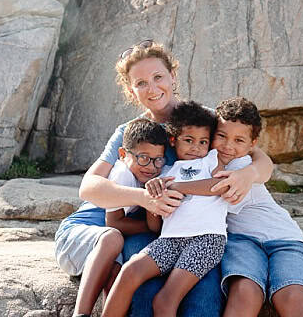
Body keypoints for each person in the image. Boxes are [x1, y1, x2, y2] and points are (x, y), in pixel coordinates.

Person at [76, 39, 277, 316]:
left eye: (158, 77)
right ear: (131, 91)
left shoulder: (205, 119)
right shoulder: (130, 131)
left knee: (205, 293)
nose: (152, 88)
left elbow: (261, 159)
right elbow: (88, 187)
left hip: (201, 230)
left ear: (173, 76)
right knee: (145, 289)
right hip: (152, 226)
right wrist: (145, 197)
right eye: (141, 82)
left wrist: (248, 175)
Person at [102, 102, 240, 316]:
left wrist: (177, 186)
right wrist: (152, 202)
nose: (196, 147)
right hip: (169, 239)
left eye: (203, 141)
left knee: (165, 300)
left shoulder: (210, 161)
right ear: (173, 141)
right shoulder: (165, 170)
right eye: (189, 140)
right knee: (129, 272)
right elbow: (154, 226)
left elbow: (217, 186)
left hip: (206, 239)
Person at [54, 118, 168, 316]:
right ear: (123, 154)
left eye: (158, 159)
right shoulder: (123, 174)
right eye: (143, 158)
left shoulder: (146, 177)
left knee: (117, 272)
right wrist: (151, 226)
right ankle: (80, 316)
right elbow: (113, 222)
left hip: (100, 248)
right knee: (112, 237)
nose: (151, 166)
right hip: (74, 239)